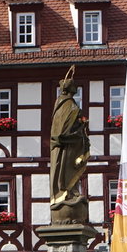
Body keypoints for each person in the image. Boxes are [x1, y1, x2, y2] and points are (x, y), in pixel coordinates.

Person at [48, 67, 91, 216]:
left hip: (67, 146)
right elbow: (62, 131)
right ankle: (66, 193)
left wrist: (80, 125)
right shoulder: (68, 105)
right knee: (65, 171)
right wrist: (80, 128)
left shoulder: (63, 104)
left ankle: (69, 192)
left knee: (68, 170)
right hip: (65, 147)